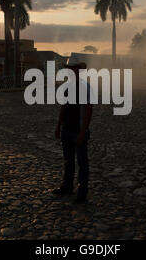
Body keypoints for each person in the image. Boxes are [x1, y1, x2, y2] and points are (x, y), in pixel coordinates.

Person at [53, 60, 93, 204]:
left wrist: (83, 132)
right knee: (68, 160)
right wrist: (58, 125)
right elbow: (63, 107)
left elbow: (88, 111)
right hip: (67, 129)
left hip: (78, 130)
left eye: (74, 69)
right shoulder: (67, 87)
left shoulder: (86, 88)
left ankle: (82, 193)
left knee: (82, 162)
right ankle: (67, 186)